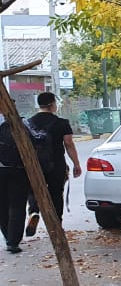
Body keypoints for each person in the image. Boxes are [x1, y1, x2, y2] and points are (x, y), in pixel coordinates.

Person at [25, 92, 81, 237]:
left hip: (35, 164)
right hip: (56, 164)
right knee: (56, 193)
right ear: (52, 105)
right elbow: (69, 144)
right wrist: (76, 164)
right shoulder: (62, 123)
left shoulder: (29, 123)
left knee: (35, 190)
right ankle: (57, 226)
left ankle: (34, 212)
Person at [0, 114, 33, 254]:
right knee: (17, 206)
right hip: (19, 170)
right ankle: (13, 241)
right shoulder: (22, 124)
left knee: (2, 206)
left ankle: (8, 236)